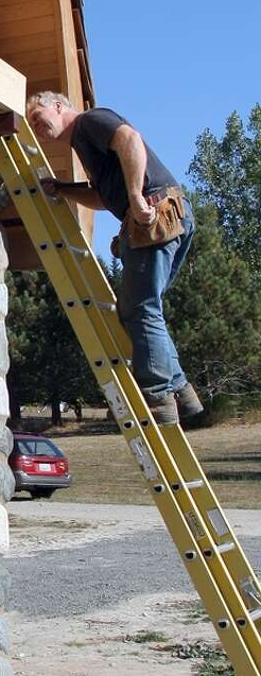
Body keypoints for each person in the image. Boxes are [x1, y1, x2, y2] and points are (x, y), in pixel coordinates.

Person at [25, 92, 204, 428]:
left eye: (38, 116)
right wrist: (62, 189)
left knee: (140, 310)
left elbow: (130, 139)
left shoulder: (90, 121)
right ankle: (181, 392)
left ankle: (159, 396)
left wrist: (135, 197)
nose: (36, 126)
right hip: (167, 214)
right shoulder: (84, 144)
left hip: (154, 213)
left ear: (59, 106)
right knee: (146, 309)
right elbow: (101, 197)